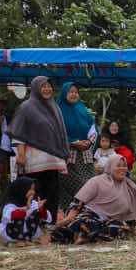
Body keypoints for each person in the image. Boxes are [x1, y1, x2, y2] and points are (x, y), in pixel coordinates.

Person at [57, 154, 136, 243]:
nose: (122, 168)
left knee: (119, 228)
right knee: (86, 223)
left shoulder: (128, 186)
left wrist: (132, 230)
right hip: (92, 215)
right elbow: (79, 200)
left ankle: (86, 236)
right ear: (110, 167)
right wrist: (69, 218)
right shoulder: (97, 181)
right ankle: (84, 235)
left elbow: (129, 214)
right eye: (118, 165)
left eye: (124, 166)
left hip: (112, 221)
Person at [11, 76, 70, 211]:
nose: (47, 89)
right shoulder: (26, 107)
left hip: (53, 158)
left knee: (52, 189)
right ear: (35, 88)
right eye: (43, 86)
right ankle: (34, 217)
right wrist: (21, 153)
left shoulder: (55, 108)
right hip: (34, 158)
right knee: (35, 188)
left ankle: (50, 219)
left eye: (49, 86)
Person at [57, 82, 98, 210]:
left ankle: (86, 214)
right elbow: (56, 132)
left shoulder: (82, 109)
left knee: (89, 184)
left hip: (85, 156)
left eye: (76, 92)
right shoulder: (58, 111)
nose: (74, 94)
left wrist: (90, 141)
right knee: (73, 186)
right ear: (64, 93)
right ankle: (68, 214)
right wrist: (74, 142)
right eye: (71, 91)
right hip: (68, 157)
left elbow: (93, 127)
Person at [0, 177, 50, 246]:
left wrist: (41, 209)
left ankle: (28, 239)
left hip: (29, 234)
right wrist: (26, 208)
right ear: (21, 190)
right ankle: (19, 240)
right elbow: (7, 218)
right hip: (12, 233)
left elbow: (47, 218)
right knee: (19, 215)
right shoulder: (10, 205)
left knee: (36, 213)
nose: (33, 192)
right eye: (30, 189)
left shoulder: (33, 203)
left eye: (33, 189)